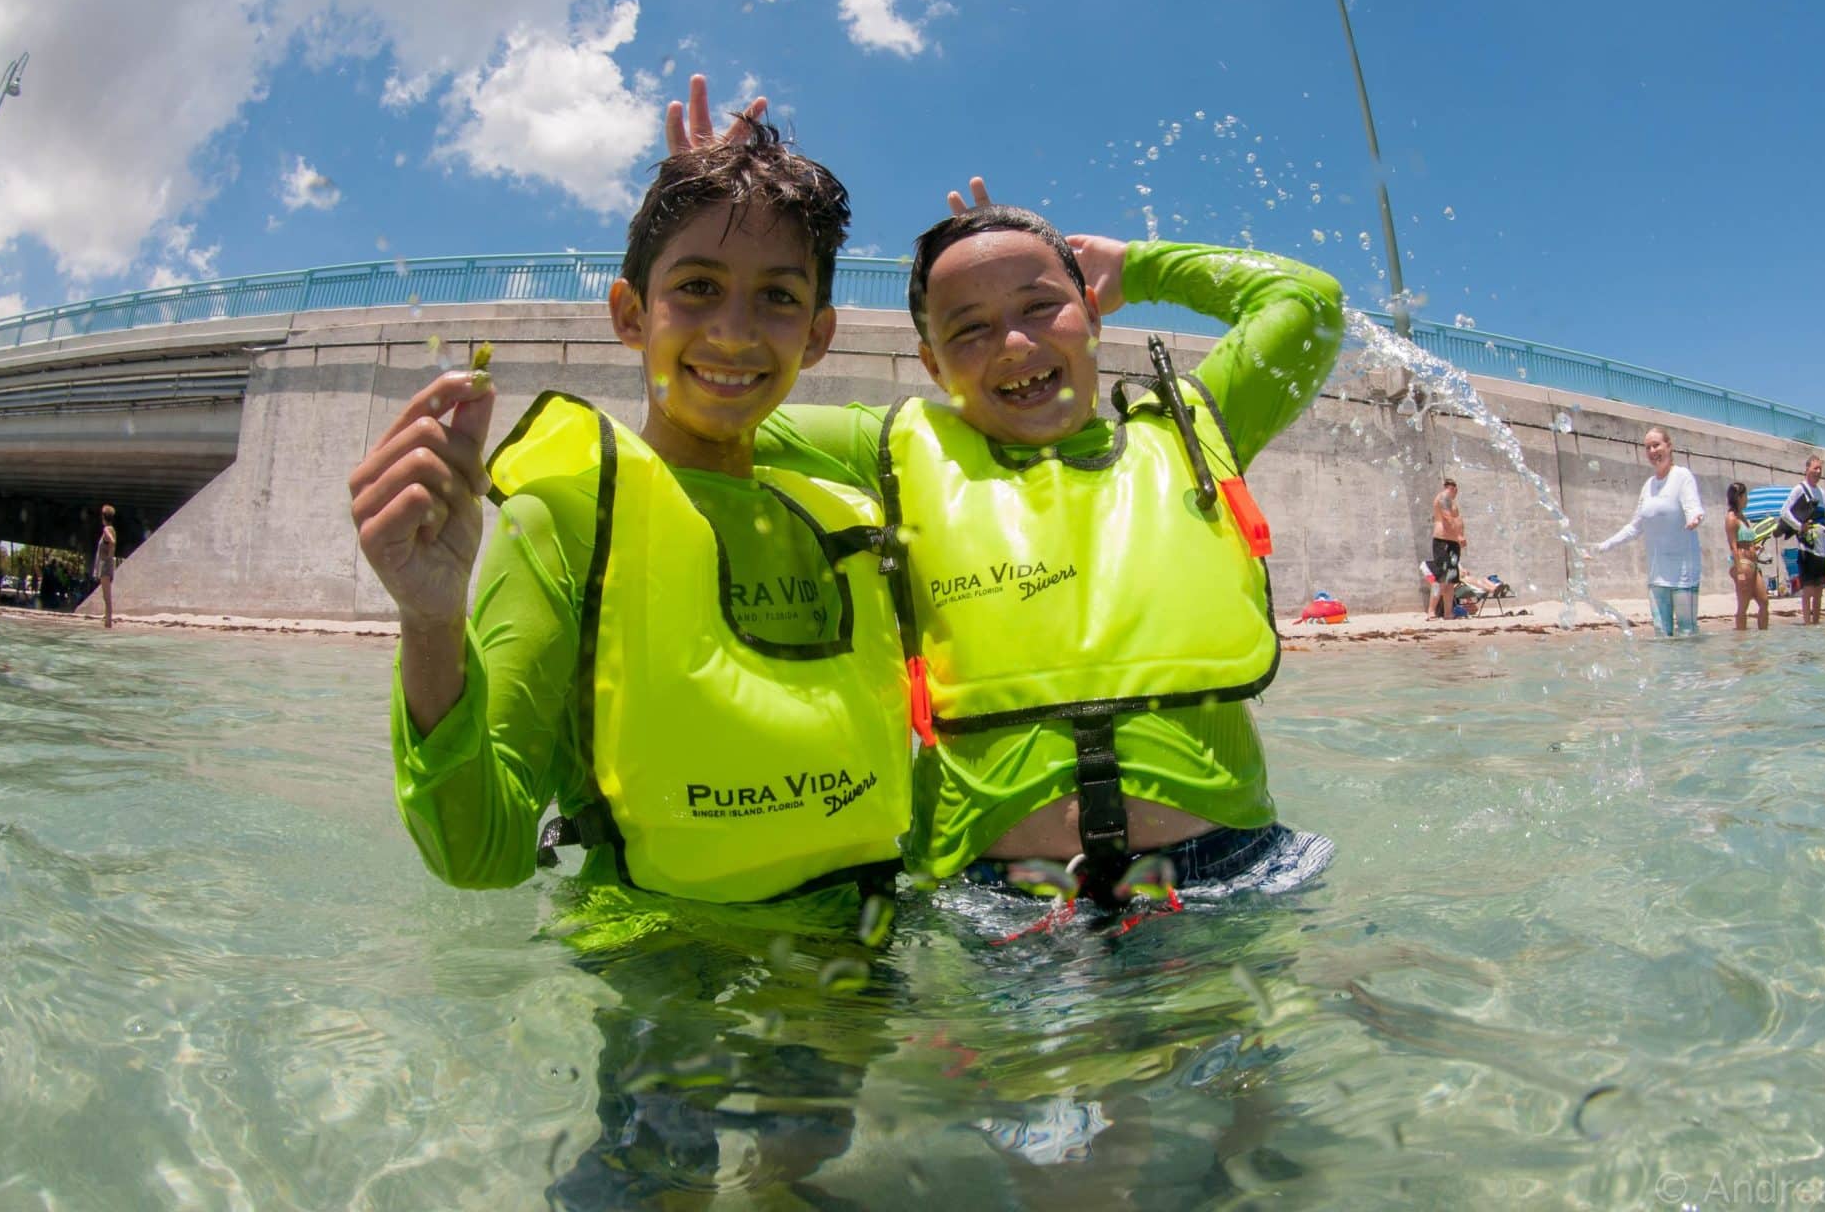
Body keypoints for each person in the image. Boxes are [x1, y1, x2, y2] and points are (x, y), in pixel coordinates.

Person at [349, 106, 912, 1193]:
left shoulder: (845, 507)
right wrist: (428, 617)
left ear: (821, 332)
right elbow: (483, 854)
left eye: (777, 298)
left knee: (799, 1167)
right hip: (662, 957)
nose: (735, 333)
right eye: (694, 287)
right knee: (658, 1174)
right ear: (627, 312)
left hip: (849, 942)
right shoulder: (565, 517)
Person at [756, 184, 1343, 907]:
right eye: (968, 327)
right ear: (933, 366)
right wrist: (733, 225)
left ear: (1092, 313)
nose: (1014, 343)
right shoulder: (883, 450)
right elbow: (715, 412)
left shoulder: (1194, 426)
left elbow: (1309, 303)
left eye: (1040, 305)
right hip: (995, 903)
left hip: (1228, 874)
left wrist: (1139, 268)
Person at [1595, 427, 1704, 637]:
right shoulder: (1649, 486)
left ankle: (1690, 672)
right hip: (1657, 576)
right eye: (1648, 447)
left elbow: (1693, 506)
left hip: (1684, 574)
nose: (1653, 451)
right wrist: (1604, 545)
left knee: (1687, 634)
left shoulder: (1682, 476)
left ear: (1669, 446)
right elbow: (1635, 527)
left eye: (1657, 445)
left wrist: (1695, 517)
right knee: (1661, 635)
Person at [1777, 454, 1825, 625]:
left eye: (1820, 468)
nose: (1818, 472)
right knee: (1808, 591)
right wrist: (1800, 526)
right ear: (1807, 470)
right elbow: (1784, 512)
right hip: (1807, 548)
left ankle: (1816, 625)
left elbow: (1824, 519)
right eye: (1815, 468)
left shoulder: (1822, 493)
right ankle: (1807, 625)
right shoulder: (1799, 489)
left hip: (1822, 549)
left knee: (1820, 591)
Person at [1724, 481, 1769, 631]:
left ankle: (1762, 638)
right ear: (1739, 497)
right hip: (1742, 564)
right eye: (1746, 495)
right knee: (1743, 606)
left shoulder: (1742, 516)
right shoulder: (1731, 518)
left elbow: (1745, 540)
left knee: (1764, 601)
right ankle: (1741, 641)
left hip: (1752, 563)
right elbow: (1733, 546)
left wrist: (1754, 547)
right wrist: (1740, 572)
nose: (1747, 499)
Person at [1429, 478, 1466, 621]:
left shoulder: (1451, 499)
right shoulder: (1444, 497)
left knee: (1451, 579)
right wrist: (1458, 534)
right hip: (1443, 541)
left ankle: (1448, 613)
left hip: (1453, 543)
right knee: (1441, 578)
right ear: (1454, 488)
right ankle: (1431, 611)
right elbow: (1447, 517)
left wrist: (1459, 536)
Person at [92, 505, 117, 629]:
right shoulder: (112, 529)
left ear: (103, 517)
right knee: (106, 597)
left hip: (105, 566)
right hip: (108, 565)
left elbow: (112, 542)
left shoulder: (106, 529)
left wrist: (108, 557)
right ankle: (107, 622)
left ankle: (108, 624)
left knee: (107, 597)